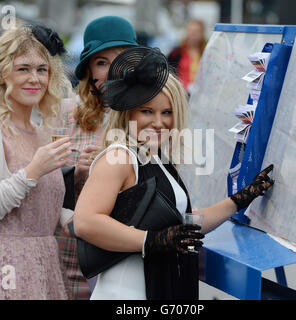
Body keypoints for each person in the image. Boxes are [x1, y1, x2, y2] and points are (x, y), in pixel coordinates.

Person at [73, 47, 274, 300]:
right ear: (128, 113)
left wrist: (240, 199)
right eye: (147, 111)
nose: (158, 122)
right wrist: (152, 240)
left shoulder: (156, 158)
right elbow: (85, 222)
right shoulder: (119, 156)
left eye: (166, 112)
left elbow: (186, 225)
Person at [56, 16, 139, 300]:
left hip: (123, 260)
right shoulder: (65, 113)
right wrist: (75, 173)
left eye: (120, 61)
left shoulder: (148, 116)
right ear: (89, 70)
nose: (112, 72)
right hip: (68, 256)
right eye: (102, 63)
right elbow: (40, 188)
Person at [0, 23, 73, 299]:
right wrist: (33, 170)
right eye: (23, 68)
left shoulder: (43, 133)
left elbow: (41, 211)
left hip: (46, 265)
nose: (35, 78)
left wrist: (83, 216)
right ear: (3, 74)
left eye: (42, 69)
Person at [168, 19, 206, 95]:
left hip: (201, 94)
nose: (193, 34)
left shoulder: (207, 53)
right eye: (190, 31)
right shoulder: (176, 53)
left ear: (202, 34)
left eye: (196, 31)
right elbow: (168, 73)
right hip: (180, 93)